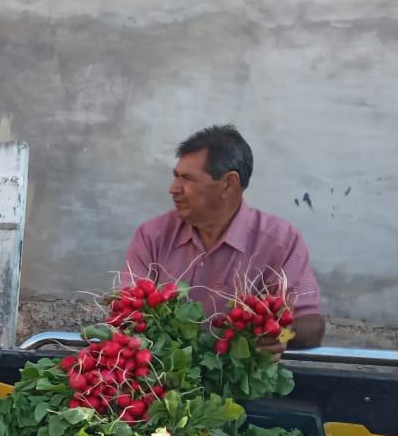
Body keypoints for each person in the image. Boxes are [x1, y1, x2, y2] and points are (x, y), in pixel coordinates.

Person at [124, 124, 325, 354]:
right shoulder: (153, 235)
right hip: (163, 375)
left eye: (188, 179)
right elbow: (128, 311)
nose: (173, 189)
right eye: (176, 177)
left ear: (228, 184)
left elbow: (311, 327)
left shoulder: (280, 241)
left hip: (240, 380)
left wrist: (281, 335)